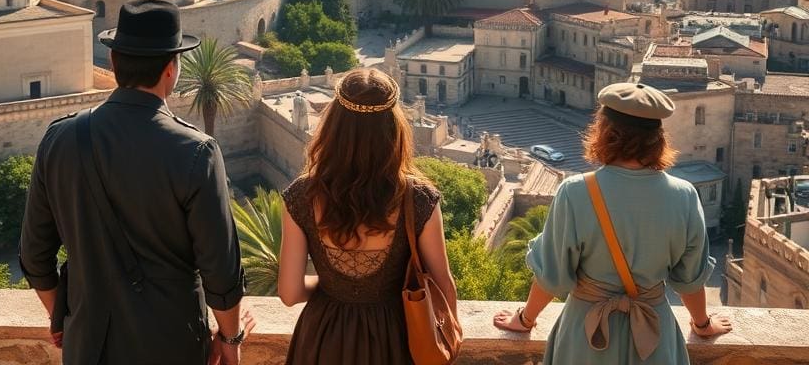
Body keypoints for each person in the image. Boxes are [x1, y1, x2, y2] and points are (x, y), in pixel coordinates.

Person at [20, 0, 250, 365]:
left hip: (88, 348)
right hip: (172, 346)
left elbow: (34, 257)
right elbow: (220, 272)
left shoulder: (59, 139)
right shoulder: (196, 152)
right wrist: (230, 339)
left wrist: (63, 317)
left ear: (112, 63)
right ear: (171, 69)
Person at [493, 82, 732, 364]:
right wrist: (703, 325)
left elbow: (552, 276)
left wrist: (524, 319)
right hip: (654, 337)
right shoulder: (685, 196)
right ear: (658, 138)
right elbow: (690, 280)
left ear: (604, 132)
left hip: (584, 340)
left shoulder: (575, 192)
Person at [278, 68, 457, 364]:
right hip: (397, 342)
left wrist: (332, 284)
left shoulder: (301, 195)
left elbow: (289, 293)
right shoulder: (419, 197)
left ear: (333, 124)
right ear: (395, 127)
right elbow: (444, 286)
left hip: (323, 340)